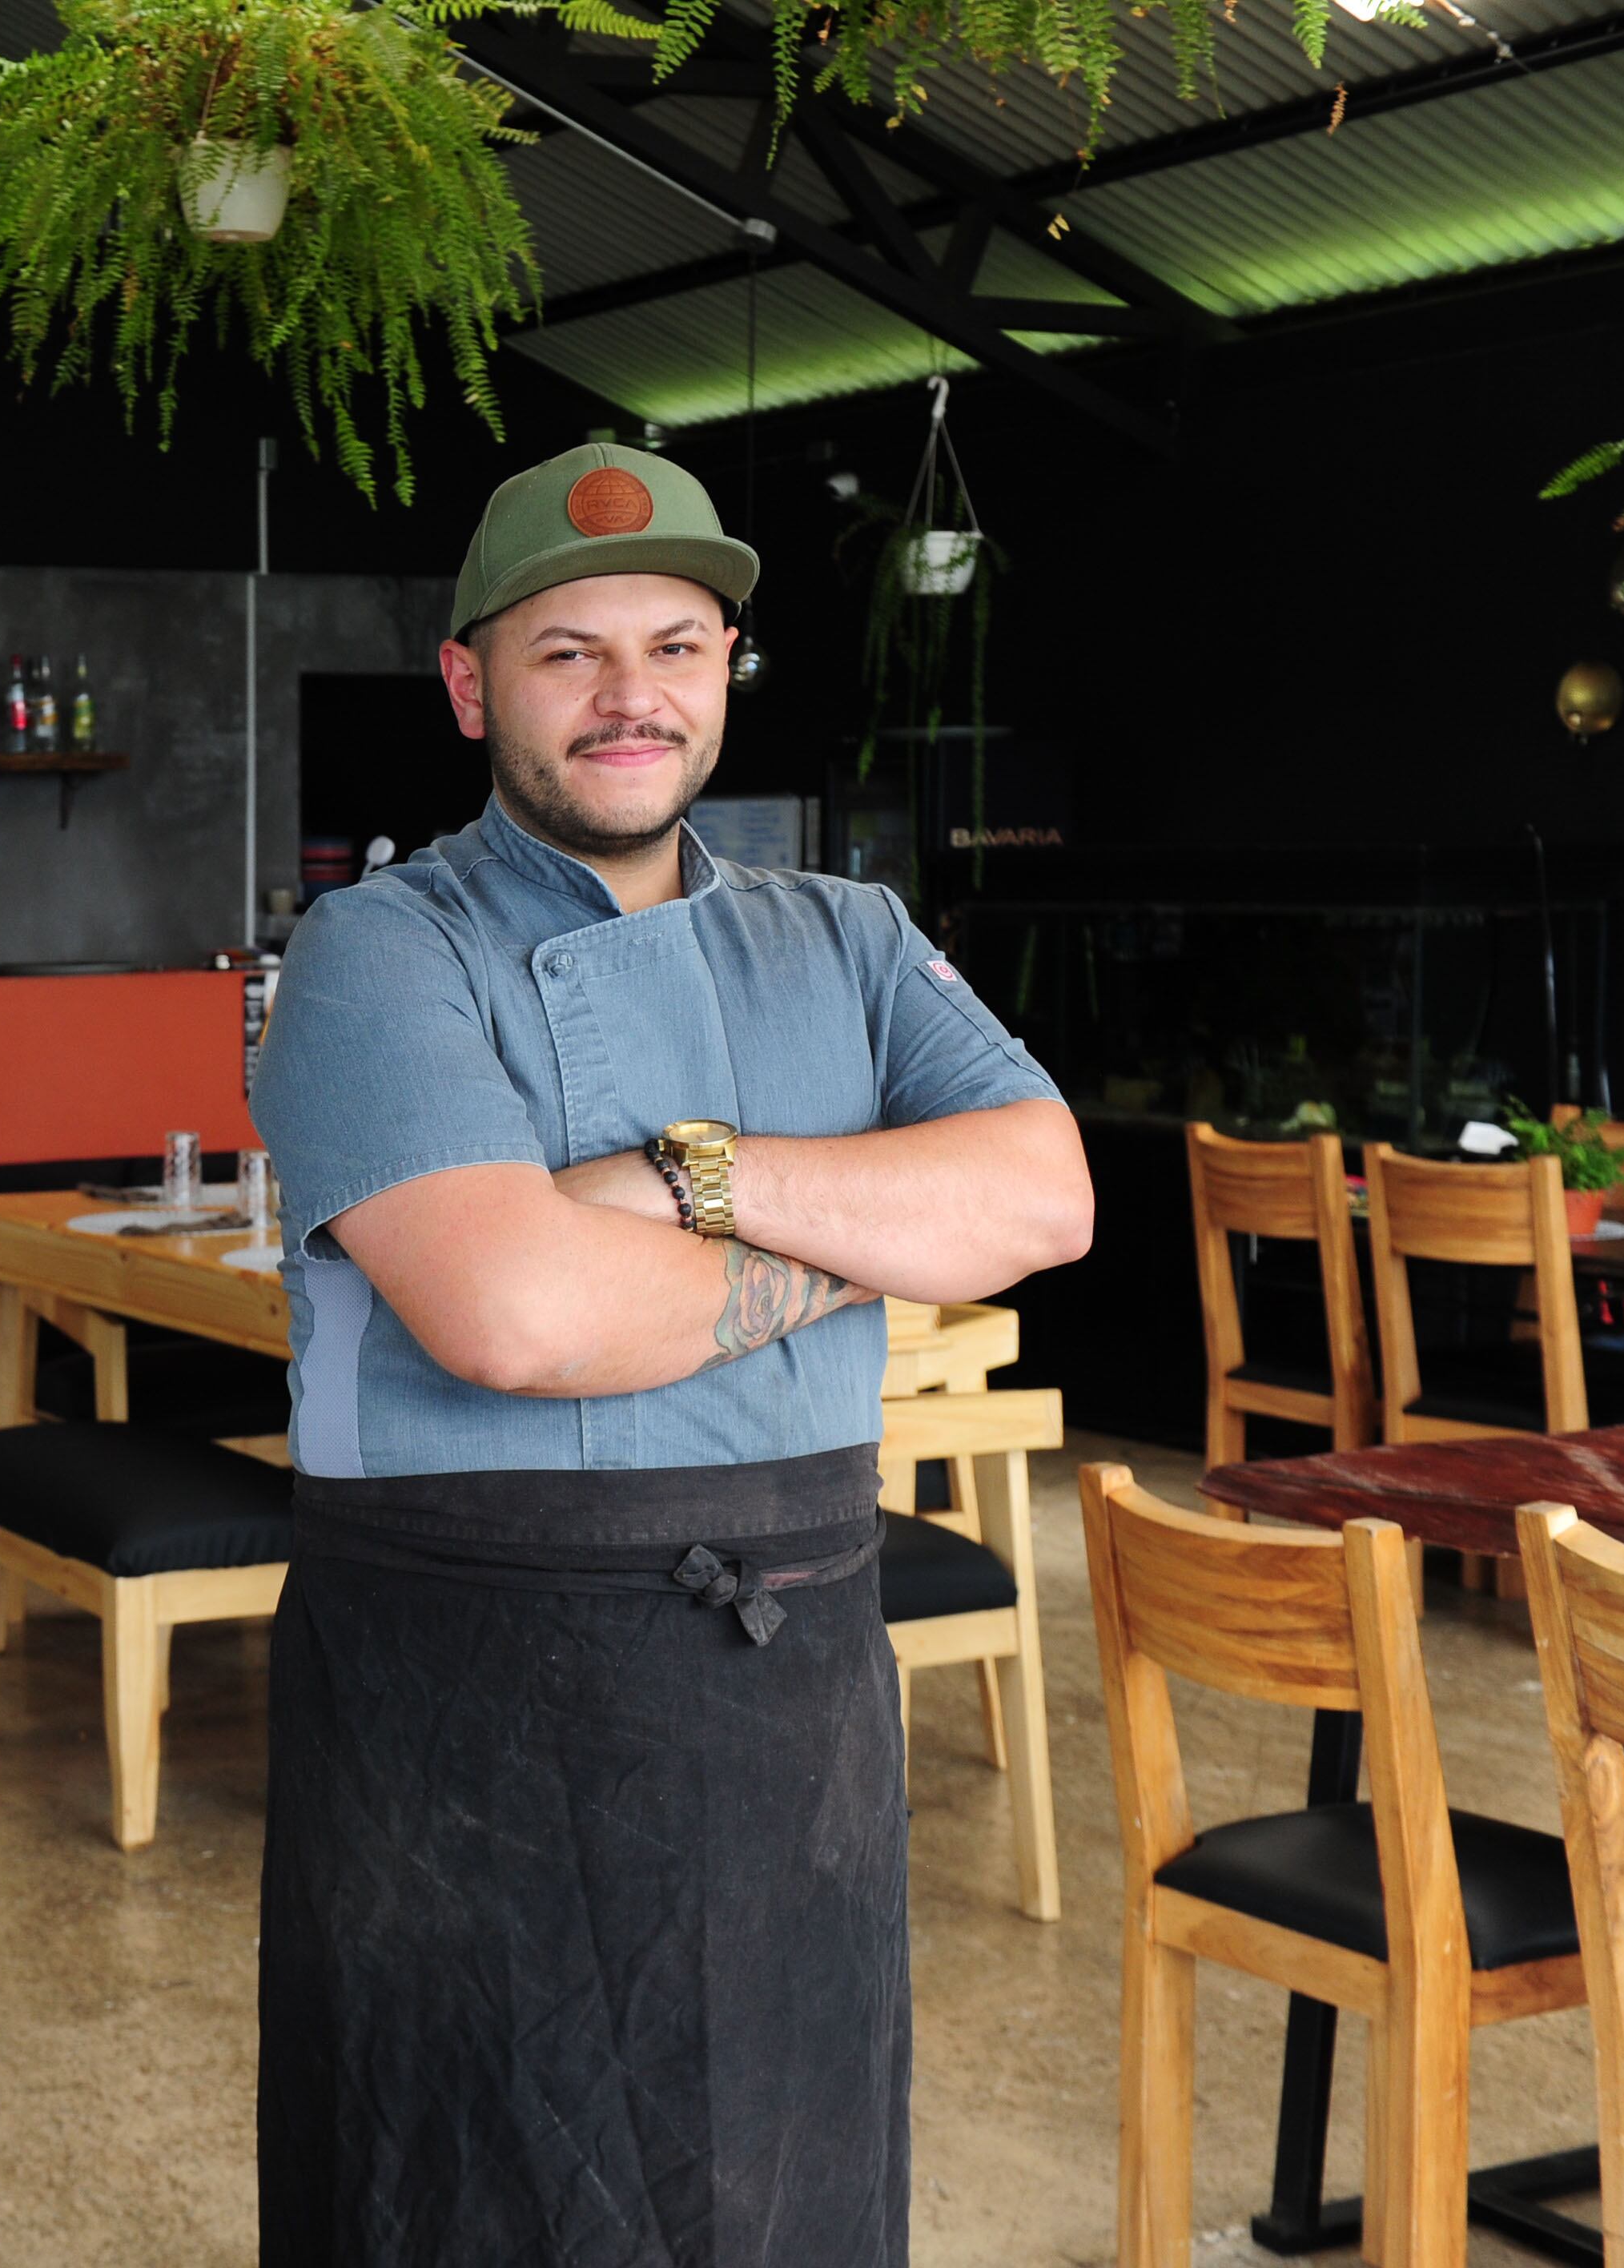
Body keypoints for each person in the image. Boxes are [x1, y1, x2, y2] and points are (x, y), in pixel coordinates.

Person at [250, 441, 1093, 2266]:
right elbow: (518, 1316)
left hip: (790, 1694)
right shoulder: (376, 954)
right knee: (462, 2196)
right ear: (470, 683)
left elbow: (1043, 1197)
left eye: (678, 647)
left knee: (790, 2192)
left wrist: (682, 1178)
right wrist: (864, 1238)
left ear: (723, 673)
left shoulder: (851, 935)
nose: (632, 695)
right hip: (468, 1700)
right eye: (570, 652)